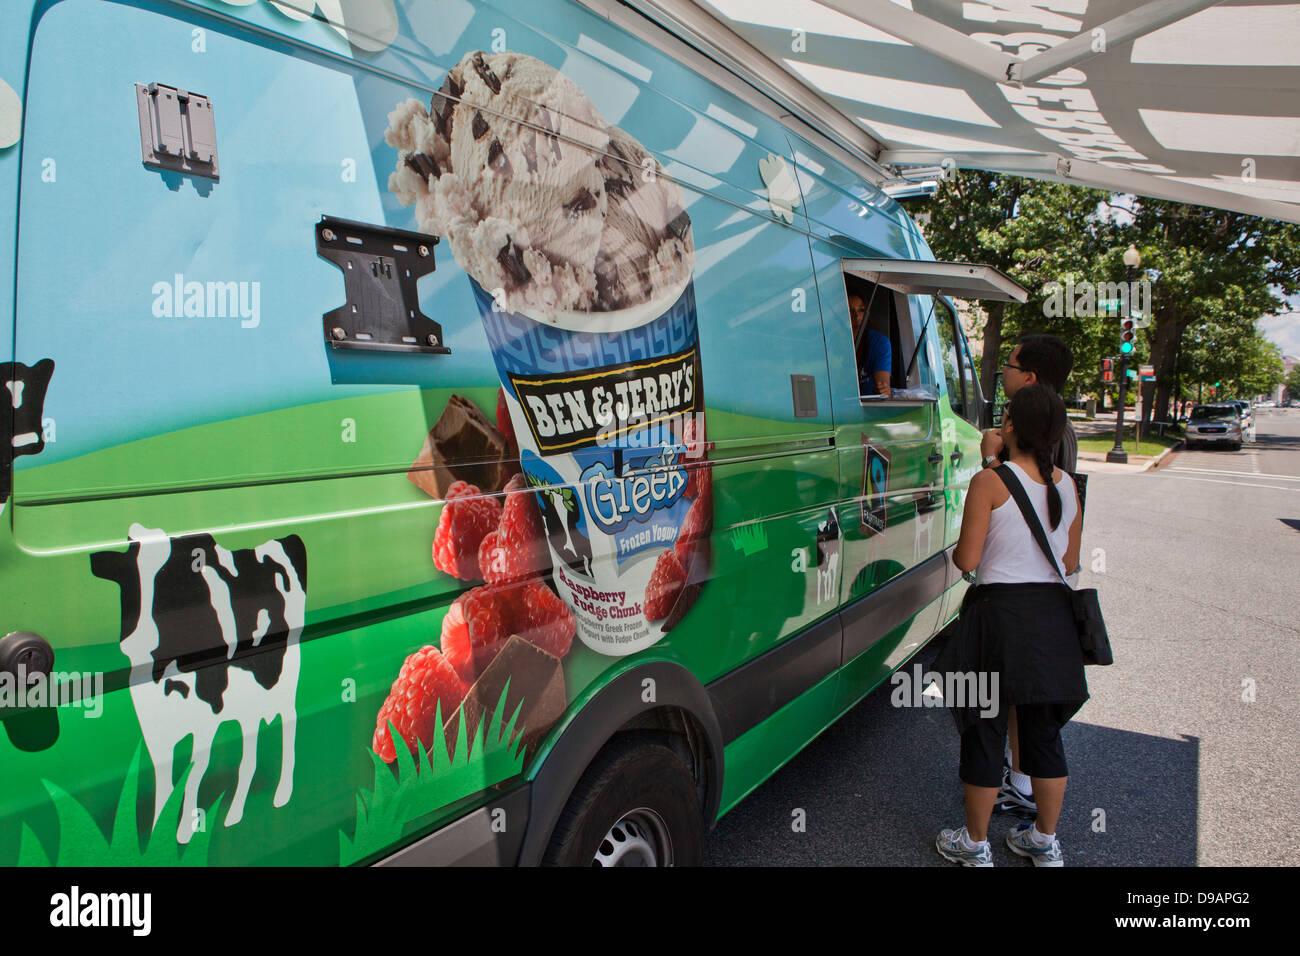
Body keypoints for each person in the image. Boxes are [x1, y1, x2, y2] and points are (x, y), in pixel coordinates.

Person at [935, 384, 1087, 866]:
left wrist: (988, 465)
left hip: (996, 620)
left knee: (984, 728)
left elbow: (967, 559)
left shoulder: (990, 481)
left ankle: (975, 845)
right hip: (1051, 620)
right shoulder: (1069, 484)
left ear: (1010, 428)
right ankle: (1043, 840)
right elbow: (1070, 560)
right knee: (1043, 733)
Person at [978, 333, 1077, 818]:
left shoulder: (1011, 461)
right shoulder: (1060, 437)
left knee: (992, 714)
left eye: (1010, 368)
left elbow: (1021, 494)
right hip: (1052, 606)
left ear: (1029, 380)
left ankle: (1009, 791)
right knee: (1037, 718)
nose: (1005, 377)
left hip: (1010, 605)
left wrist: (991, 461)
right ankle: (1039, 824)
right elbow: (1068, 547)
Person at [848, 290, 891, 398]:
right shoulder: (829, 342)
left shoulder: (879, 342)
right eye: (849, 310)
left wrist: (882, 390)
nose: (856, 316)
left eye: (861, 310)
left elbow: (883, 387)